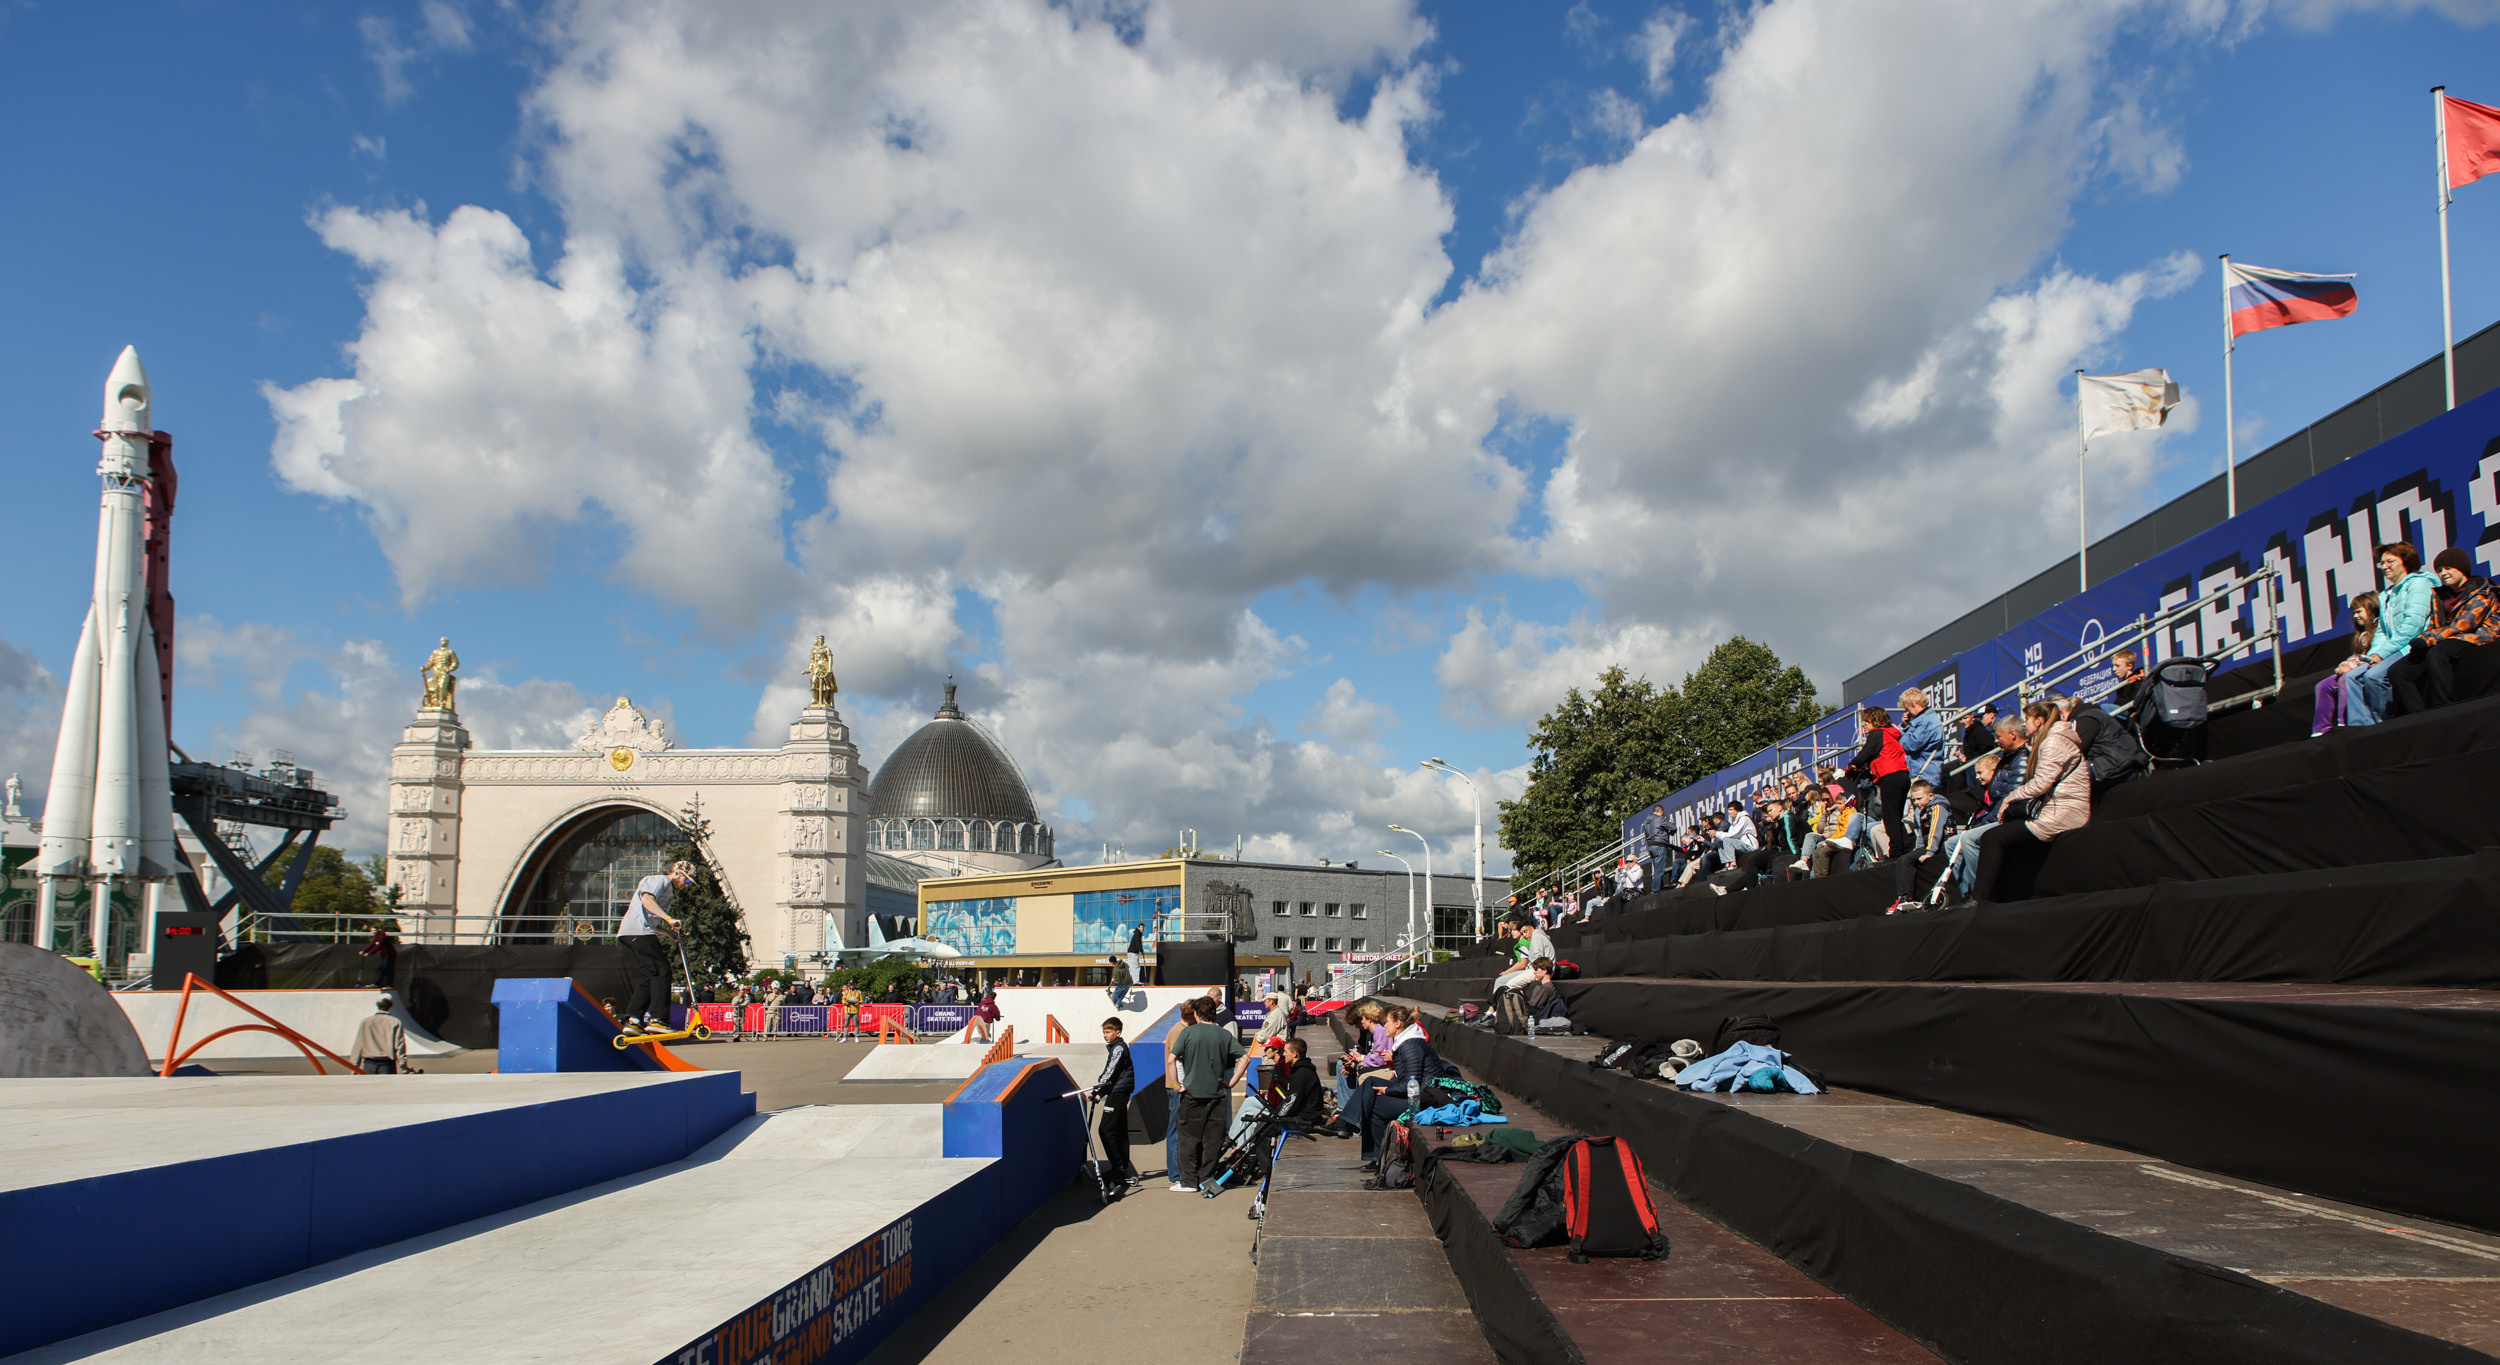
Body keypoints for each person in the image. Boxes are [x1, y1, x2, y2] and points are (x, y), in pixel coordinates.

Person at [1970, 701, 2090, 904]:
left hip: (2065, 811)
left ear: (2039, 721)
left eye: (2027, 719)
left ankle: (1978, 901)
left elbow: (2041, 783)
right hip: (2056, 808)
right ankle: (1991, 898)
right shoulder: (2052, 740)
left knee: (1992, 837)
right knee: (1999, 835)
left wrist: (2009, 798)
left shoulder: (2053, 742)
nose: (2024, 724)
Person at [2389, 548, 2496, 715]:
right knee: (2398, 671)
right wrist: (2424, 638)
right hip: (2445, 637)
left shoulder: (2482, 590)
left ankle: (2444, 707)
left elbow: (2465, 624)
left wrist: (2430, 640)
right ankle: (2418, 715)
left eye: (2448, 568)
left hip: (2476, 636)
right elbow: (2434, 625)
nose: (2443, 573)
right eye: (2439, 570)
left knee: (2437, 654)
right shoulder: (2439, 595)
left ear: (2461, 568)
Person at [2347, 542, 2439, 726]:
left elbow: (2413, 625)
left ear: (2405, 561)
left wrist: (2382, 654)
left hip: (2411, 647)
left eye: (2390, 561)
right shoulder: (2386, 595)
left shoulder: (2419, 584)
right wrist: (2373, 655)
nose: (2384, 567)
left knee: (2374, 676)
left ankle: (2384, 724)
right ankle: (2360, 727)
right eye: (2381, 563)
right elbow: (2381, 631)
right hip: (2393, 648)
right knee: (2351, 677)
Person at [1169, 996, 1250, 1192]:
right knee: (1212, 1140)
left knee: (1188, 1138)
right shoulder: (1223, 1034)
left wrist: (1176, 1084)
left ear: (1197, 1013)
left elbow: (1172, 1059)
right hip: (1217, 1094)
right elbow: (1245, 1057)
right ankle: (1207, 1178)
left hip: (1192, 1094)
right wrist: (1231, 1081)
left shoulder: (1188, 1033)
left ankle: (1189, 1181)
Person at [617, 860, 695, 1035]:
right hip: (639, 933)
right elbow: (647, 900)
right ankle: (659, 1019)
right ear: (677, 874)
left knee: (645, 979)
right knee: (662, 971)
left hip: (627, 935)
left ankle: (634, 1020)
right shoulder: (660, 880)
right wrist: (669, 919)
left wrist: (668, 933)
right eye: (687, 881)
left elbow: (652, 920)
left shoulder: (668, 892)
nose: (687, 886)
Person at [1844, 705, 1911, 865]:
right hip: (1902, 776)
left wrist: (1851, 768)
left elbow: (1862, 756)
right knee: (1896, 816)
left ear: (1875, 720)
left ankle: (1896, 853)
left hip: (1890, 777)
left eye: (1866, 721)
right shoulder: (1890, 735)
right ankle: (1906, 848)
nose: (1864, 725)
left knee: (1890, 817)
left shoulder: (1877, 734)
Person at [1885, 779, 1958, 912]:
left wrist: (1929, 852)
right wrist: (1917, 851)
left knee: (1904, 860)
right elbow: (1920, 834)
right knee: (1904, 859)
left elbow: (1935, 832)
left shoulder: (1938, 807)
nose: (1916, 802)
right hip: (1930, 845)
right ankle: (1903, 896)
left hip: (1942, 844)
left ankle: (1906, 896)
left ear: (1930, 796)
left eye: (1919, 798)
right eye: (1914, 800)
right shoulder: (1922, 810)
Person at [1090, 1017, 1137, 1187]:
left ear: (1118, 1032)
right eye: (1104, 1032)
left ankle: (1118, 1166)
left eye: (1108, 1032)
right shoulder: (1116, 1047)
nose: (1105, 1035)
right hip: (1117, 1090)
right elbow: (1114, 1073)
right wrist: (1100, 1092)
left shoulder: (1118, 1048)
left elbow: (1110, 1072)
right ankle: (1122, 1165)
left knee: (1106, 1129)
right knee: (1119, 1129)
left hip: (1118, 1092)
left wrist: (1098, 1088)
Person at [1898, 687, 1946, 786]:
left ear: (1915, 704)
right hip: (1924, 773)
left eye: (1907, 708)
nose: (1907, 712)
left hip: (1924, 775)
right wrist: (1906, 726)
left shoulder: (1926, 722)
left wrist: (1899, 733)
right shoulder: (1925, 719)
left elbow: (1911, 745)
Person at [350, 996, 406, 1075]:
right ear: (391, 1005)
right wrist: (403, 1067)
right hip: (387, 1064)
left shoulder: (366, 1022)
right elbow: (399, 1046)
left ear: (377, 1005)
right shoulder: (395, 1022)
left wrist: (354, 1066)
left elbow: (359, 1044)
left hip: (369, 1063)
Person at [357, 924, 399, 989]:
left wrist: (369, 953)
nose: (373, 932)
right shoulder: (376, 936)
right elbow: (372, 945)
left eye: (374, 930)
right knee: (380, 968)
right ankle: (377, 983)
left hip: (389, 955)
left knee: (387, 969)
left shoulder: (382, 936)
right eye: (372, 931)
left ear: (378, 930)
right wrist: (364, 951)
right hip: (383, 955)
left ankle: (389, 985)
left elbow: (378, 947)